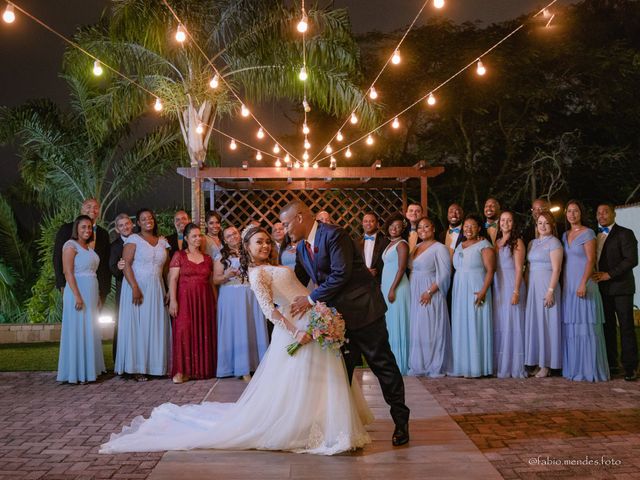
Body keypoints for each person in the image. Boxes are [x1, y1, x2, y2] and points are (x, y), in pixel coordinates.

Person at [100, 226, 373, 455]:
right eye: (258, 242)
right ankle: (305, 427)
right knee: (304, 381)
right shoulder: (257, 273)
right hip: (295, 329)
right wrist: (295, 332)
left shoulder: (274, 266)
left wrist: (320, 313)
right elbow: (269, 310)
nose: (265, 245)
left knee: (321, 377)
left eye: (267, 241)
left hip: (314, 319)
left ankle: (327, 421)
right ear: (247, 246)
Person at [280, 200, 410, 447]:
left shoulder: (334, 235)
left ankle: (401, 421)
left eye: (286, 224)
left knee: (382, 365)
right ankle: (341, 429)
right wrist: (272, 287)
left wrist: (309, 299)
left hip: (364, 312)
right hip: (336, 321)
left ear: (299, 218)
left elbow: (341, 273)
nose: (285, 230)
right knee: (340, 373)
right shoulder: (300, 249)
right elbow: (297, 279)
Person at [114, 208, 171, 381]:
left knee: (155, 325)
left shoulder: (162, 242)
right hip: (137, 286)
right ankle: (136, 367)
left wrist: (169, 289)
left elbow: (166, 269)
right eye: (143, 218)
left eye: (150, 218)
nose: (148, 220)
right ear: (138, 223)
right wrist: (135, 287)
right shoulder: (133, 240)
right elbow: (127, 265)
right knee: (138, 327)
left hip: (157, 287)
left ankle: (155, 366)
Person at [561, 200, 609, 382]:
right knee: (572, 327)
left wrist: (583, 283)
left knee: (586, 326)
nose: (572, 214)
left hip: (584, 284)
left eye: (576, 211)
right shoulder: (564, 236)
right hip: (569, 285)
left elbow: (591, 260)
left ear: (581, 213)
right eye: (569, 211)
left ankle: (590, 369)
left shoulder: (588, 233)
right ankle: (574, 368)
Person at [214, 226, 269, 379]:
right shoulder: (221, 256)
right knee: (237, 329)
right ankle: (241, 368)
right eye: (228, 236)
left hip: (250, 294)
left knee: (252, 327)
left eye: (235, 234)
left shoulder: (250, 251)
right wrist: (226, 274)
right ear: (224, 240)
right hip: (231, 296)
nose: (233, 237)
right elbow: (215, 279)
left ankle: (257, 366)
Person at [57, 215, 106, 384]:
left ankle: (90, 369)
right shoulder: (70, 246)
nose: (87, 230)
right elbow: (67, 272)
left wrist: (98, 295)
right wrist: (77, 296)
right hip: (77, 291)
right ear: (76, 228)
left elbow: (94, 272)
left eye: (89, 227)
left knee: (90, 329)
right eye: (83, 227)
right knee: (78, 329)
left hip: (91, 291)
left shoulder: (89, 248)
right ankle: (76, 372)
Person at [593, 203, 638, 381]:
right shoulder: (595, 235)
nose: (602, 215)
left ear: (613, 214)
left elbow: (631, 260)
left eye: (605, 212)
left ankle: (630, 366)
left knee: (626, 327)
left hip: (621, 288)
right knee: (607, 327)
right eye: (599, 213)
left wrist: (609, 274)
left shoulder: (624, 233)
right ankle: (611, 363)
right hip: (602, 289)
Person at [168, 223, 217, 383]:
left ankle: (202, 370)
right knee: (184, 331)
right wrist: (173, 301)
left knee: (203, 331)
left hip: (204, 301)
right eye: (194, 236)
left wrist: (216, 303)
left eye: (200, 235)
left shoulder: (208, 259)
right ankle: (182, 371)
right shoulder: (179, 256)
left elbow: (211, 283)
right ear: (186, 238)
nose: (198, 238)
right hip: (184, 300)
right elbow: (173, 279)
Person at [450, 214, 495, 378]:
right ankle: (463, 366)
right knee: (462, 325)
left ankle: (477, 366)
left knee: (475, 325)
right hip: (460, 289)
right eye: (466, 226)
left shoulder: (484, 245)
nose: (468, 229)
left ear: (479, 228)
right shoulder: (460, 245)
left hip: (476, 287)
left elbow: (491, 270)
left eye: (472, 226)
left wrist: (483, 290)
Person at [408, 217, 452, 377]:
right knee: (417, 327)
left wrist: (430, 291)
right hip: (414, 288)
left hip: (430, 291)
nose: (423, 230)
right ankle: (418, 363)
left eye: (426, 226)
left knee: (429, 327)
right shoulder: (416, 247)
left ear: (433, 228)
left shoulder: (440, 248)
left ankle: (433, 363)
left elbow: (445, 273)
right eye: (419, 227)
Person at [524, 211, 563, 378]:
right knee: (536, 324)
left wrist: (551, 291)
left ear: (552, 225)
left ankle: (547, 364)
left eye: (546, 223)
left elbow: (557, 269)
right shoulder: (532, 243)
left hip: (547, 285)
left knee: (547, 324)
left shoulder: (555, 243)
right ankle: (537, 361)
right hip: (533, 285)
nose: (543, 226)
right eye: (540, 223)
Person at [53, 198, 111, 306]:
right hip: (72, 285)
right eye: (88, 207)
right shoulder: (66, 229)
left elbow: (105, 264)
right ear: (81, 209)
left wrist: (104, 289)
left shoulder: (103, 234)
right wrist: (62, 284)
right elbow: (57, 258)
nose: (92, 210)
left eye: (96, 207)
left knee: (93, 320)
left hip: (97, 288)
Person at [493, 211, 527, 378]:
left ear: (514, 223)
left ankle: (513, 363)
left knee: (512, 323)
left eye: (509, 220)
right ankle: (500, 362)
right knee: (500, 322)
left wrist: (516, 290)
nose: (505, 223)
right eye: (503, 220)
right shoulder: (496, 242)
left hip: (511, 284)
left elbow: (519, 268)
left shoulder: (517, 242)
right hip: (498, 284)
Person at [381, 213, 411, 375]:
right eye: (392, 225)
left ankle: (401, 362)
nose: (394, 228)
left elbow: (401, 268)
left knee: (398, 323)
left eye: (398, 226)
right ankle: (391, 362)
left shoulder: (402, 244)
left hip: (398, 288)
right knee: (390, 324)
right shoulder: (389, 243)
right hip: (387, 286)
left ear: (403, 228)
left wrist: (392, 288)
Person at [109, 213, 134, 361]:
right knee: (121, 323)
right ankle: (118, 359)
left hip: (140, 285)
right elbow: (112, 268)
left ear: (132, 224)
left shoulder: (139, 240)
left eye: (127, 224)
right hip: (123, 287)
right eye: (121, 225)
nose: (125, 227)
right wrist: (119, 268)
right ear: (117, 229)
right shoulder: (114, 246)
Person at [359, 212, 389, 285]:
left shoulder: (385, 241)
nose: (368, 224)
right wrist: (364, 272)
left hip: (379, 281)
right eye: (365, 221)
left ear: (377, 224)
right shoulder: (356, 242)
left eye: (372, 221)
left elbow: (388, 262)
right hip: (360, 282)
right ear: (362, 224)